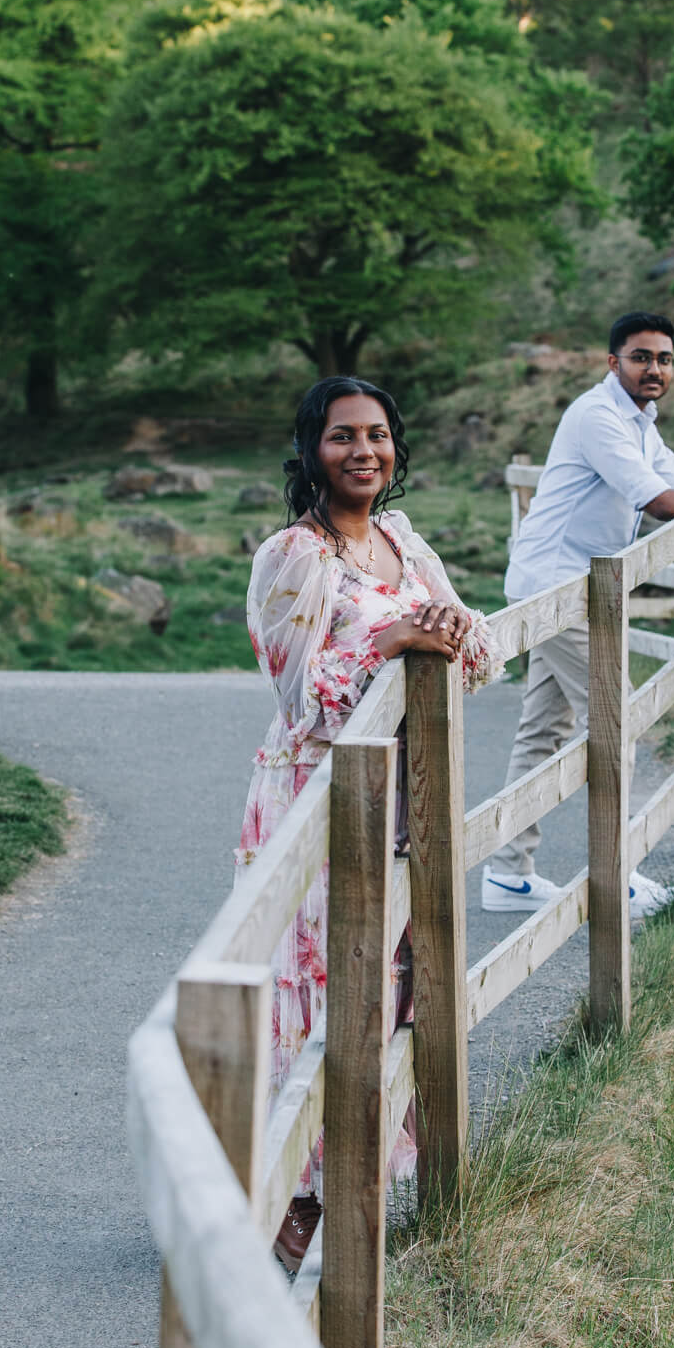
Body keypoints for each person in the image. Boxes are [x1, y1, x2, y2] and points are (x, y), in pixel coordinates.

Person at [239, 375, 498, 1272]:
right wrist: (386, 643)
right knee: (318, 991)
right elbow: (302, 696)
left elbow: (481, 649)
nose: (364, 453)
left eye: (378, 436)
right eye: (343, 436)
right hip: (318, 799)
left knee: (394, 987)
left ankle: (362, 1191)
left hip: (404, 800)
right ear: (310, 448)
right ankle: (291, 1207)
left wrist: (446, 630)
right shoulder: (291, 558)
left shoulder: (403, 542)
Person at [481, 312, 674, 914]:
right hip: (556, 589)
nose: (655, 368)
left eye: (665, 359)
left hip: (580, 589)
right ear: (613, 362)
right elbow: (655, 499)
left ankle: (507, 873)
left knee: (541, 732)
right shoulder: (598, 416)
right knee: (616, 724)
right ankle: (615, 878)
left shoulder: (640, 425)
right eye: (641, 357)